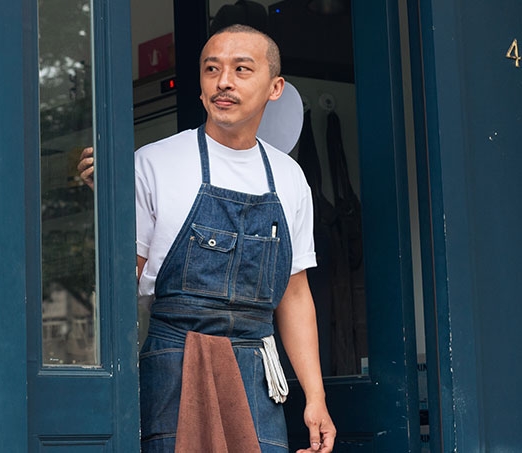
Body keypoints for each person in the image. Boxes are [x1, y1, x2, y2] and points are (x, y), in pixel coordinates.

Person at [77, 25, 336, 452]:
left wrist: (316, 397)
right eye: (211, 69)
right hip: (173, 362)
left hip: (256, 364)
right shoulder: (154, 163)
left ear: (275, 87)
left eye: (241, 69)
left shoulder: (290, 178)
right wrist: (109, 212)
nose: (224, 82)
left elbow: (293, 294)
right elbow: (122, 285)